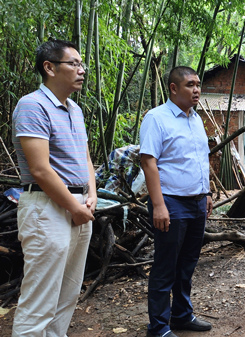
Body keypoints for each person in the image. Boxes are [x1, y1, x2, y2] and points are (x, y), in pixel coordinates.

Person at [11, 39, 97, 337]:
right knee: (40, 299)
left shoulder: (75, 109)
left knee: (67, 293)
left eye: (81, 64)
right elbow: (39, 169)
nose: (81, 70)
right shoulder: (32, 105)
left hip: (80, 204)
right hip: (46, 207)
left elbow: (85, 158)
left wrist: (92, 195)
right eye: (73, 63)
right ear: (49, 67)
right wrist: (75, 207)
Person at [140, 66, 213, 337]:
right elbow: (148, 161)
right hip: (171, 202)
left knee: (187, 264)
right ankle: (158, 326)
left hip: (196, 202)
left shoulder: (195, 118)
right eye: (190, 85)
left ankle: (181, 315)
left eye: (198, 85)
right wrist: (159, 204)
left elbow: (199, 159)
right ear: (173, 88)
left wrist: (206, 193)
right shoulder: (156, 118)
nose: (197, 90)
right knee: (166, 266)